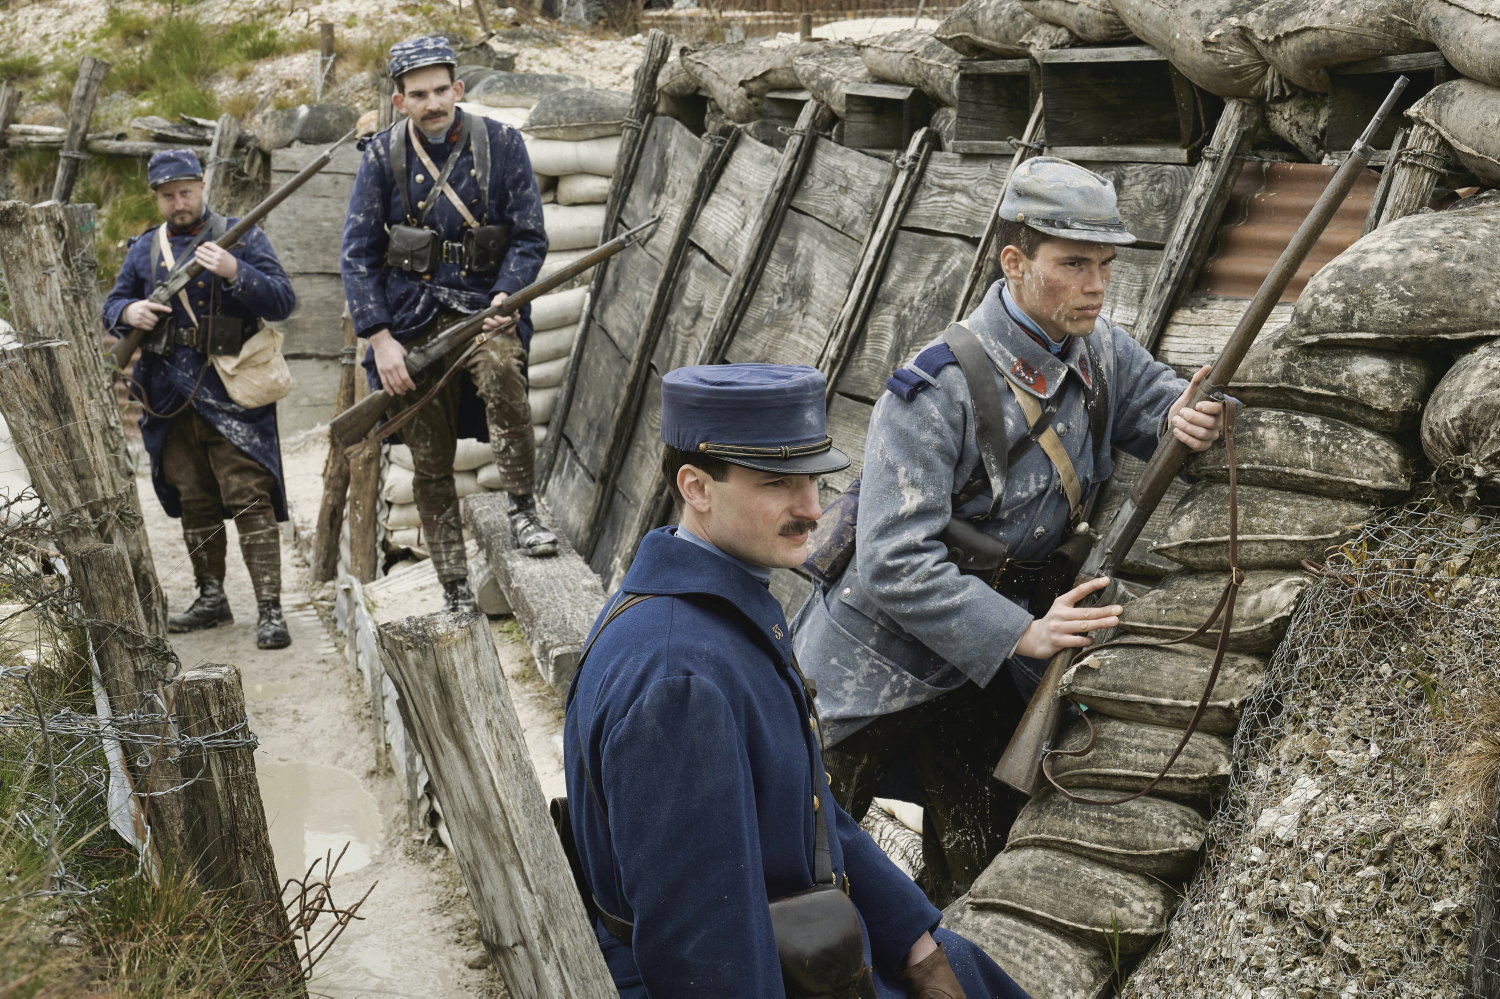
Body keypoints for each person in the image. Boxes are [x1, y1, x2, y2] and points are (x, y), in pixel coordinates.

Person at [791, 157, 1228, 907]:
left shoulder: (1101, 353)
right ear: (1016, 262)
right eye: (1072, 264)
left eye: (1105, 265)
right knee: (803, 862)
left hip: (983, 670)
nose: (1096, 285)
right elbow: (894, 560)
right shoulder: (939, 384)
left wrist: (1189, 420)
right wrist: (1021, 635)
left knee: (975, 871)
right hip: (876, 661)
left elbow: (1164, 408)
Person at [564, 363, 1029, 999]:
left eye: (815, 480)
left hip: (805, 940)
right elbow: (703, 950)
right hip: (761, 969)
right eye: (778, 483)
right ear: (696, 487)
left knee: (968, 971)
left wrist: (918, 944)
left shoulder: (711, 617)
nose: (813, 509)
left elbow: (807, 814)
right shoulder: (680, 680)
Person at [341, 34, 555, 615]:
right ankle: (455, 587)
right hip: (409, 321)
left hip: (483, 308)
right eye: (418, 94)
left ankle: (522, 511)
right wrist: (380, 339)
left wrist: (508, 295)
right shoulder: (382, 158)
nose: (432, 102)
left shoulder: (502, 145)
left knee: (503, 371)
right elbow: (357, 255)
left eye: (441, 90)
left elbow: (529, 236)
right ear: (399, 99)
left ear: (458, 89)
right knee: (428, 457)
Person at [103, 148, 297, 649]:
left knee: (249, 495)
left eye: (185, 191)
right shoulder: (146, 249)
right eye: (168, 195)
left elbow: (282, 300)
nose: (178, 202)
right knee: (194, 499)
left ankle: (270, 608)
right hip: (169, 390)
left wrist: (235, 269)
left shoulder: (242, 235)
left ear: (201, 188)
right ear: (157, 198)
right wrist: (129, 314)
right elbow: (112, 304)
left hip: (232, 388)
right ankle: (212, 597)